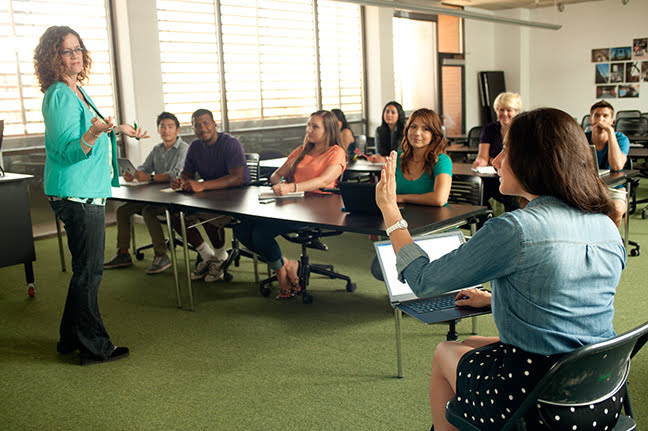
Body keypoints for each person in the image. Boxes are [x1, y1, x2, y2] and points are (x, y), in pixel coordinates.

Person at [375, 108, 625, 431]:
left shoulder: (515, 229)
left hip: (538, 403)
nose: (495, 160)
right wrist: (494, 299)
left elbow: (423, 280)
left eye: (506, 151)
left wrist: (391, 213)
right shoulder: (605, 224)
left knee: (443, 352)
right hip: (600, 392)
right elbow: (568, 294)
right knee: (469, 343)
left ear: (533, 161)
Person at [34, 26, 148, 365]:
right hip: (76, 193)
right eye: (67, 51)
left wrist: (117, 128)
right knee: (90, 272)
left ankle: (69, 339)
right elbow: (69, 150)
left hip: (87, 191)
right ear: (53, 58)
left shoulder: (77, 90)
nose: (75, 55)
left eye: (78, 48)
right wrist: (94, 132)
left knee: (85, 270)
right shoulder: (59, 94)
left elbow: (95, 126)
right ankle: (94, 346)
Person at [234, 110, 346, 299]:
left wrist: (291, 187)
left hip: (318, 211)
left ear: (328, 130)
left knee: (260, 234)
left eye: (315, 126)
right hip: (291, 205)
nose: (309, 130)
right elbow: (275, 175)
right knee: (242, 230)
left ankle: (281, 275)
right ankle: (287, 264)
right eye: (308, 125)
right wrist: (280, 186)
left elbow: (322, 180)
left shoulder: (336, 152)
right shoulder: (301, 151)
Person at [171, 109, 250, 282]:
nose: (202, 128)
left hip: (237, 198)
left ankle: (221, 256)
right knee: (175, 214)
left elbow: (237, 178)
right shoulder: (195, 147)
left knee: (205, 212)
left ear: (215, 124)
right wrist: (180, 181)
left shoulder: (230, 143)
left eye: (206, 123)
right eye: (197, 125)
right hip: (210, 195)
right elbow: (187, 174)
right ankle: (207, 256)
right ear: (193, 129)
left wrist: (202, 185)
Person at [104, 112, 188, 274]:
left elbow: (177, 174)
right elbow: (144, 168)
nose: (166, 130)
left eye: (170, 126)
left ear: (177, 130)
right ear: (158, 129)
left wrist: (149, 178)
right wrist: (133, 174)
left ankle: (161, 255)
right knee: (122, 210)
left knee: (148, 211)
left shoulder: (184, 149)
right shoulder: (157, 149)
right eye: (162, 126)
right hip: (156, 196)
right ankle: (123, 254)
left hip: (176, 197)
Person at [472, 92, 522, 212]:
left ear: (517, 112)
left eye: (509, 110)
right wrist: (479, 162)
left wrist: (492, 160)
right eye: (501, 110)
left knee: (512, 201)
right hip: (493, 178)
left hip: (514, 178)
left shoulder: (521, 130)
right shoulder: (489, 129)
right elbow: (482, 157)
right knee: (478, 192)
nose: (505, 114)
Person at [392, 108, 452, 206]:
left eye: (425, 129)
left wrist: (402, 198)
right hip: (401, 218)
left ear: (434, 134)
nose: (417, 133)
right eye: (413, 127)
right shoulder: (397, 158)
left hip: (434, 218)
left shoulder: (441, 160)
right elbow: (385, 194)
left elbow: (440, 199)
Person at [585, 100, 630, 226]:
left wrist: (610, 132)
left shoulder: (621, 139)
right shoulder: (583, 137)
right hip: (588, 187)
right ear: (591, 119)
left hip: (613, 187)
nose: (601, 119)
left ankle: (611, 242)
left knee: (616, 209)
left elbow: (616, 166)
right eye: (597, 115)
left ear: (612, 120)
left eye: (605, 116)